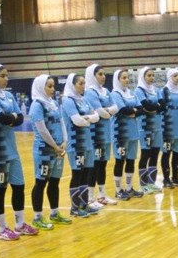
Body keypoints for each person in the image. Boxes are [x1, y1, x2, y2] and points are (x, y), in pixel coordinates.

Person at [0, 63, 43, 238]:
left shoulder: (8, 95)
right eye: (2, 76)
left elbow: (20, 118)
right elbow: (2, 118)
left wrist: (11, 118)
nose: (6, 78)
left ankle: (19, 223)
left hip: (11, 149)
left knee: (19, 186)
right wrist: (11, 118)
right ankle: (1, 229)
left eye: (7, 75)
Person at [29, 74, 72, 225]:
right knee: (40, 183)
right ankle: (37, 217)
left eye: (53, 86)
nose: (53, 89)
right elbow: (42, 130)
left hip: (59, 150)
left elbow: (62, 123)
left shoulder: (53, 103)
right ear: (41, 87)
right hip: (44, 151)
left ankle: (55, 213)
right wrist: (55, 146)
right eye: (49, 86)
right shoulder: (36, 105)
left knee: (54, 182)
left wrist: (65, 141)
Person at [62, 73, 100, 217]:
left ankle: (84, 205)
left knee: (86, 174)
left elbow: (96, 117)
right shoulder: (68, 100)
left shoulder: (83, 99)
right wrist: (87, 119)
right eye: (80, 83)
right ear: (73, 85)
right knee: (77, 175)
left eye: (84, 83)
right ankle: (74, 208)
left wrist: (86, 118)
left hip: (87, 143)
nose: (83, 86)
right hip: (76, 144)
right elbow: (77, 121)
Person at [84, 64, 119, 207]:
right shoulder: (90, 92)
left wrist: (107, 110)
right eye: (100, 74)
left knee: (103, 165)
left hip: (106, 134)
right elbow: (100, 113)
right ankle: (90, 197)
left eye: (104, 74)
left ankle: (102, 195)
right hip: (96, 134)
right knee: (94, 165)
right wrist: (107, 110)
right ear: (92, 76)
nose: (103, 77)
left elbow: (116, 108)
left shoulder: (105, 91)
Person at [110, 69, 143, 200]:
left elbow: (140, 110)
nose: (126, 80)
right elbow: (123, 110)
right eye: (123, 78)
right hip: (121, 133)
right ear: (117, 80)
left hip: (133, 132)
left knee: (130, 161)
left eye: (127, 77)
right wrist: (133, 110)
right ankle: (118, 190)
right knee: (120, 161)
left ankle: (129, 188)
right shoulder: (114, 94)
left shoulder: (132, 93)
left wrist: (133, 111)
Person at [135, 67, 165, 193]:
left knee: (155, 154)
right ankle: (143, 184)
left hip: (157, 126)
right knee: (145, 154)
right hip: (145, 126)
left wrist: (155, 107)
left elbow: (163, 105)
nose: (152, 78)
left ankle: (152, 183)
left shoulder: (157, 90)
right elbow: (145, 106)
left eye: (153, 75)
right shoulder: (139, 90)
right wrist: (155, 106)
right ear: (143, 77)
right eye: (149, 75)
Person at [161, 68, 178, 188]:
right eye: (174, 76)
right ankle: (166, 179)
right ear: (169, 77)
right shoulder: (164, 91)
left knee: (177, 153)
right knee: (167, 153)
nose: (177, 78)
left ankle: (175, 177)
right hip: (168, 127)